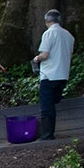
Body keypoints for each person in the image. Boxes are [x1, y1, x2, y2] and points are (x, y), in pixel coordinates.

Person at [33, 9, 74, 139]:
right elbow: (70, 55)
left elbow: (45, 54)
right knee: (53, 103)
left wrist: (36, 59)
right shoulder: (69, 35)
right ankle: (49, 133)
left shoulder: (49, 34)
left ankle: (47, 135)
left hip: (49, 75)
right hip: (63, 74)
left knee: (46, 107)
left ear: (47, 21)